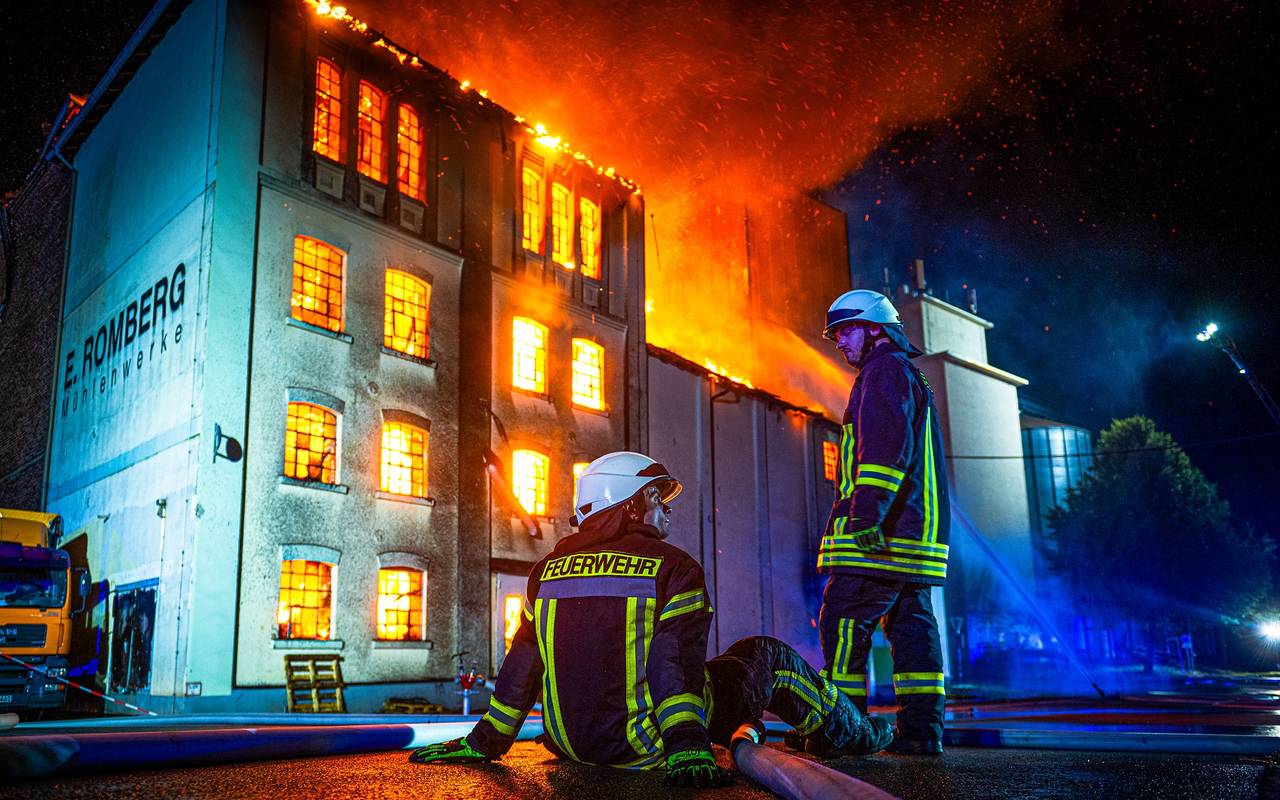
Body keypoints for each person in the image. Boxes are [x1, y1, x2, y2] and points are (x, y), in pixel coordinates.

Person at [409, 451, 893, 785]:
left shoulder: (545, 573)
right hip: (649, 748)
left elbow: (522, 668)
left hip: (573, 747)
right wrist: (686, 744)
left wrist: (485, 742)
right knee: (767, 656)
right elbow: (673, 664)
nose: (665, 511)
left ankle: (757, 724)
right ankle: (856, 734)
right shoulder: (674, 567)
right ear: (632, 503)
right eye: (658, 499)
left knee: (730, 669)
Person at [818, 289, 951, 755]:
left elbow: (882, 450)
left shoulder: (882, 372)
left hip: (881, 537)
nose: (839, 342)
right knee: (913, 631)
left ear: (874, 328)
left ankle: (843, 732)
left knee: (844, 623)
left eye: (844, 331)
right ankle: (921, 733)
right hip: (915, 539)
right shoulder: (906, 374)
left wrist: (865, 515)